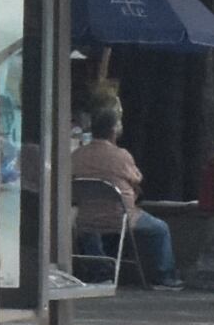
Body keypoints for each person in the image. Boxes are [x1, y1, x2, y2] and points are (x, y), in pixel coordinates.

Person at [70, 108, 182, 290]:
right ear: (114, 130)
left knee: (91, 227)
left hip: (85, 218)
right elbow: (137, 178)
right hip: (121, 217)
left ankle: (99, 272)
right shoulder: (121, 156)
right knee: (160, 229)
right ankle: (164, 276)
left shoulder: (76, 156)